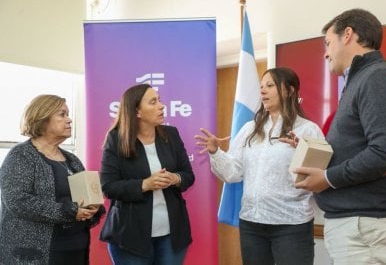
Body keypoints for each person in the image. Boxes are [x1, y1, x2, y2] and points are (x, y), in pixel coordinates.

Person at [293, 8, 386, 264]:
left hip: (364, 227)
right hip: (358, 226)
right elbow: (360, 145)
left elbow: (385, 153)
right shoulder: (362, 79)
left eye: (328, 43)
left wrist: (327, 178)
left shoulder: (377, 77)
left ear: (348, 35)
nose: (326, 53)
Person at [195, 67, 324, 265]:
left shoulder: (308, 129)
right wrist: (215, 152)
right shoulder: (249, 129)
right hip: (252, 224)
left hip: (291, 225)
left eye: (270, 85)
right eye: (261, 86)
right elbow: (233, 173)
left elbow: (318, 177)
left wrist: (303, 151)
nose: (262, 91)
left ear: (290, 91)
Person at [0, 94, 105, 265]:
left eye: (68, 114)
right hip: (34, 255)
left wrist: (93, 209)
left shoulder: (72, 159)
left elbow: (86, 199)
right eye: (62, 114)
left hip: (75, 251)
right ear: (42, 118)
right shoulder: (21, 156)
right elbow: (17, 201)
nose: (69, 120)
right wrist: (70, 211)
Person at [99, 84, 194, 265]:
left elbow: (188, 175)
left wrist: (176, 179)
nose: (161, 105)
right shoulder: (116, 139)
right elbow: (108, 187)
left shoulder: (171, 134)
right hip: (130, 237)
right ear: (137, 112)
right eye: (153, 102)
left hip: (172, 235)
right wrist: (145, 184)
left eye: (159, 100)